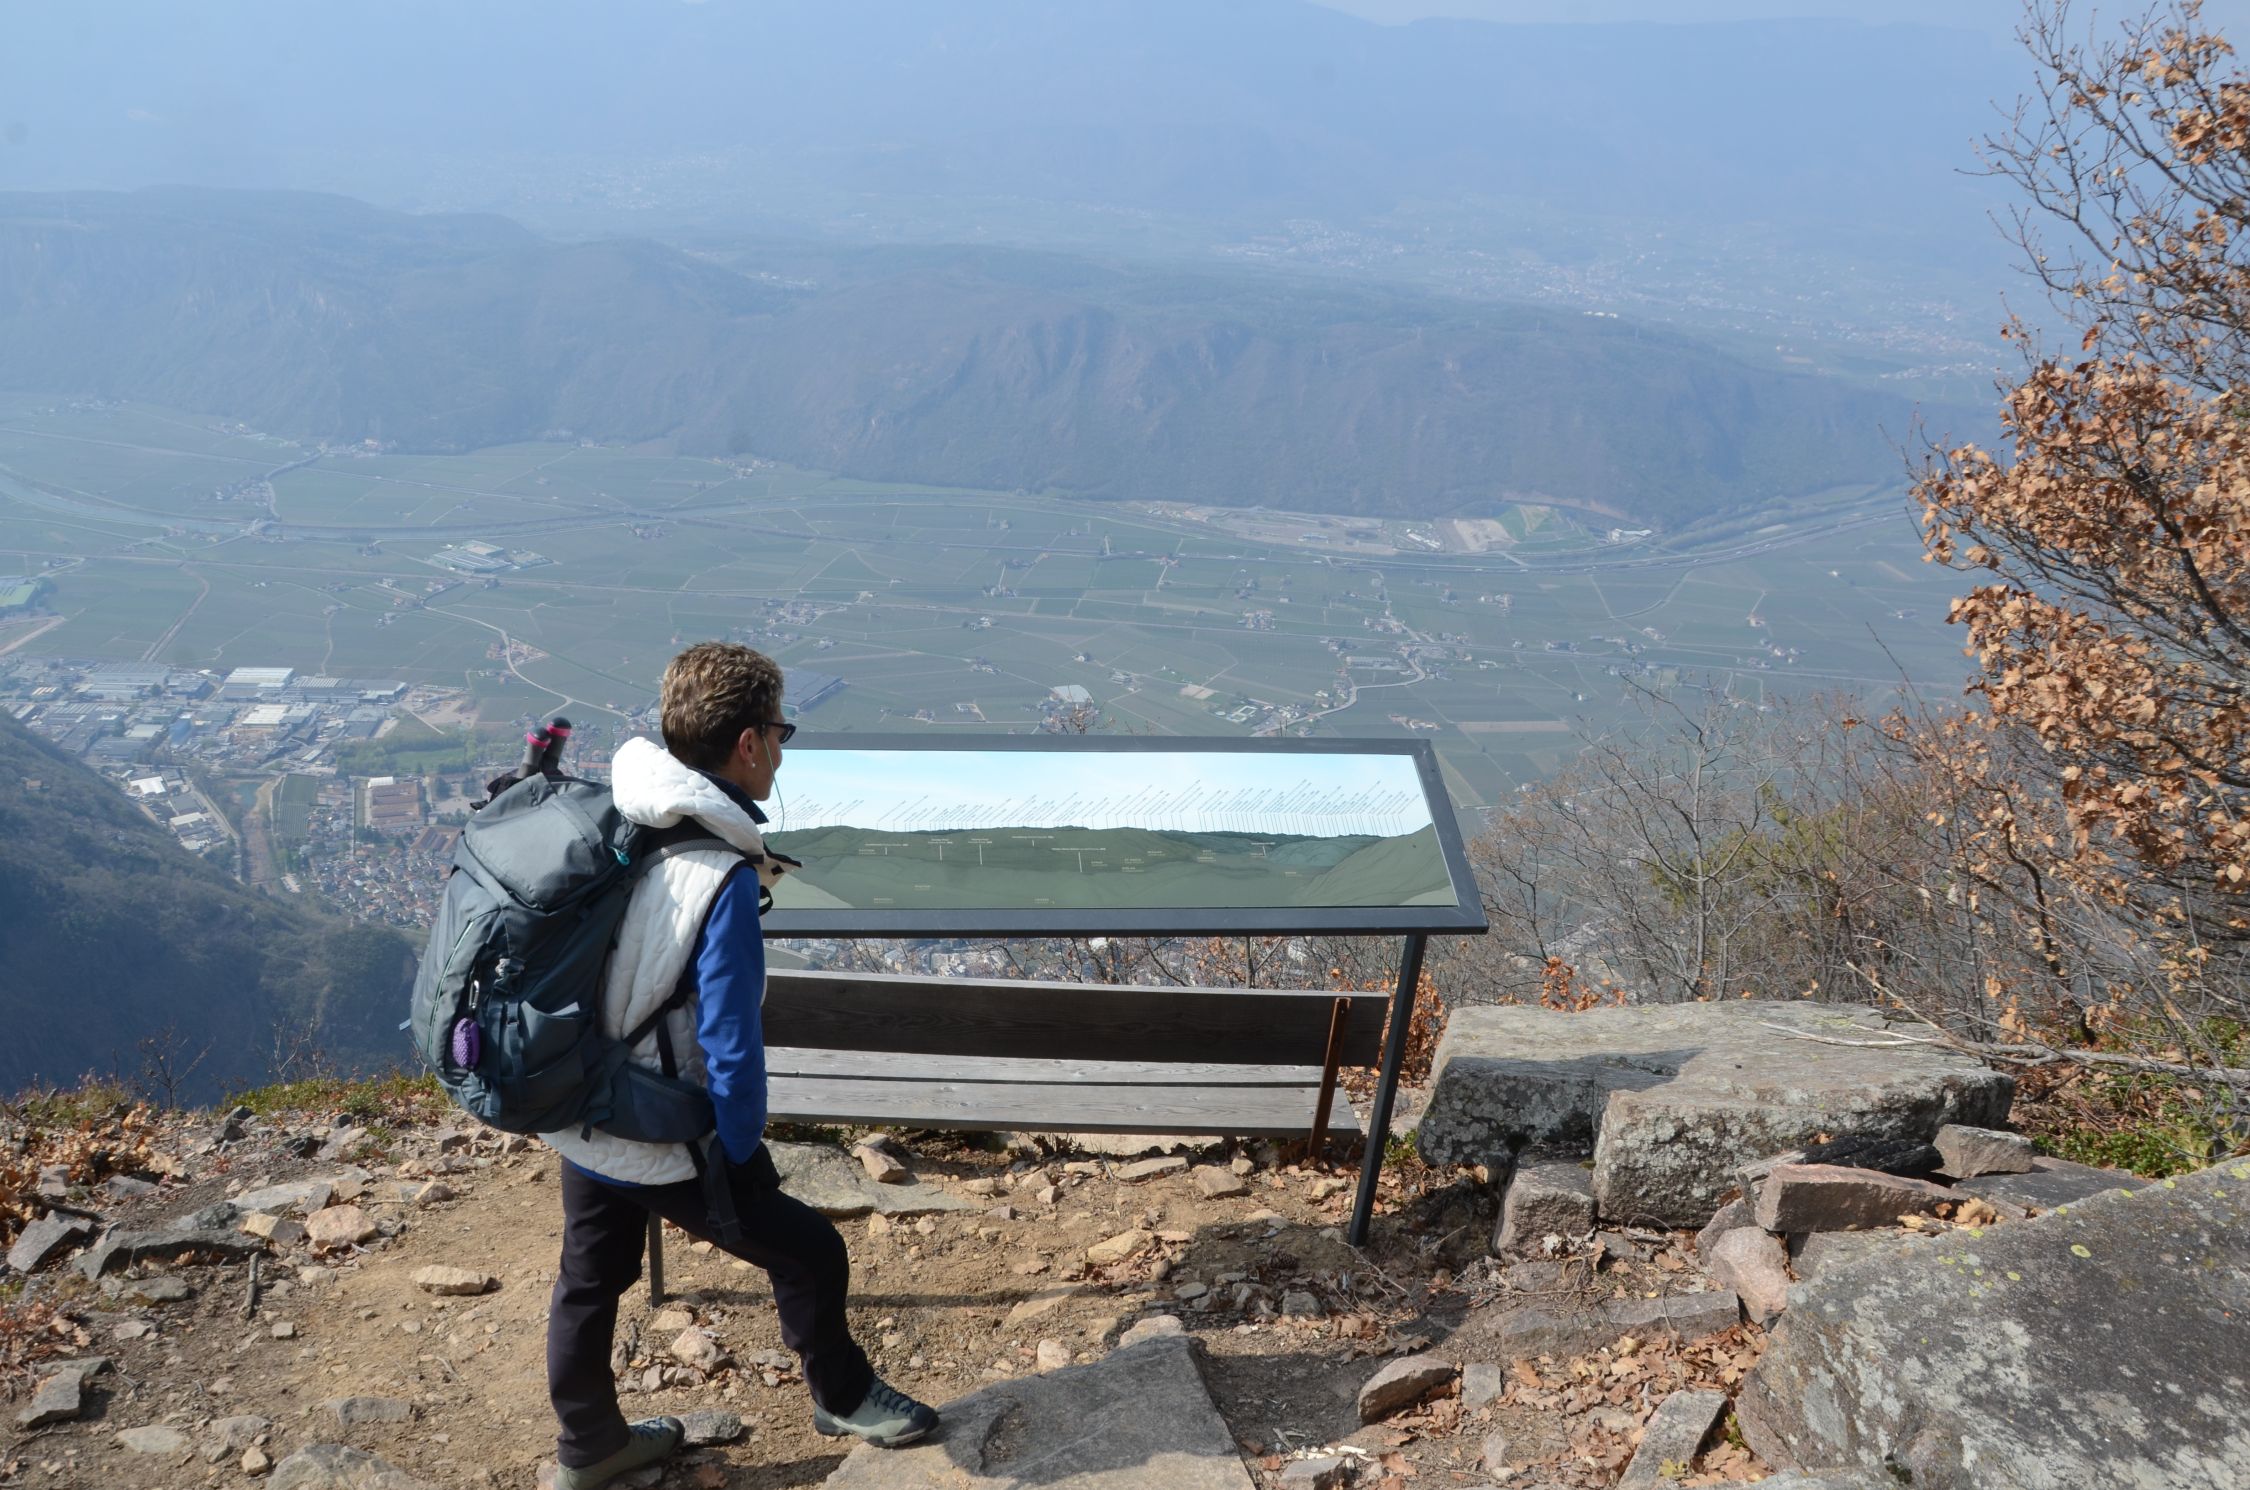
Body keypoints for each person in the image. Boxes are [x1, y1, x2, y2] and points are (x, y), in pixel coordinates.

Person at [541, 642, 937, 1489]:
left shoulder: (622, 816)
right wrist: (740, 1151)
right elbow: (730, 1043)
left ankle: (589, 1445)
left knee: (588, 1278)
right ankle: (843, 1396)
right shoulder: (718, 877)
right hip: (656, 1123)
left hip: (582, 1101)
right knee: (811, 1251)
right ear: (750, 743)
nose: (783, 752)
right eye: (781, 732)